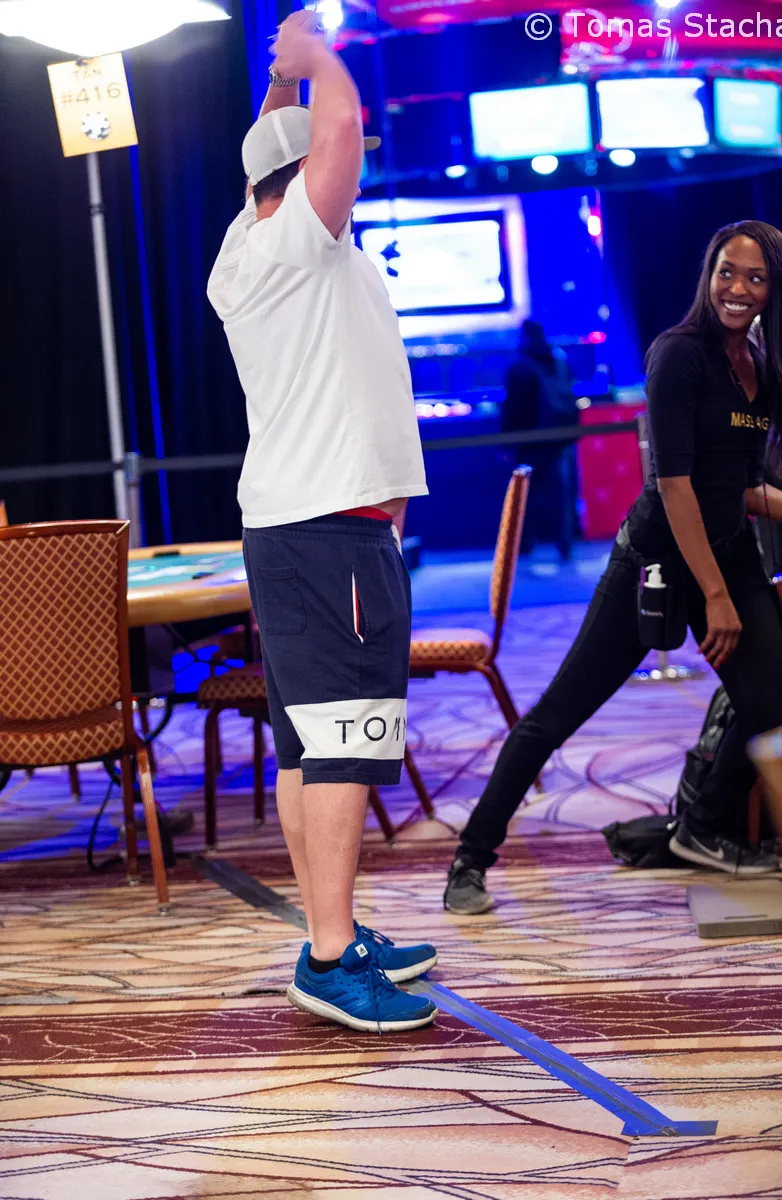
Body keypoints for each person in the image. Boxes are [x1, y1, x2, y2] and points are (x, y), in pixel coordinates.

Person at [444, 220, 782, 914]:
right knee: (560, 712)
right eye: (727, 272)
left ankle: (702, 827)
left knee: (773, 710)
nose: (737, 288)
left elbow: (740, 488)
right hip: (655, 563)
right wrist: (715, 596)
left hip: (727, 553)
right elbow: (675, 485)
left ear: (774, 290)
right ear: (708, 274)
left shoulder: (763, 367)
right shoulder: (679, 354)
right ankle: (471, 857)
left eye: (755, 278)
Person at [207, 12, 437, 1031]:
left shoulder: (245, 246)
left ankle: (328, 930)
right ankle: (332, 957)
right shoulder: (301, 239)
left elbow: (276, 151)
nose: (352, 178)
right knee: (342, 743)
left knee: (309, 745)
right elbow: (333, 131)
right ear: (300, 181)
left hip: (296, 528)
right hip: (329, 530)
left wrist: (276, 91)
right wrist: (313, 56)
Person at [501, 321, 578, 561]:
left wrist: (506, 442)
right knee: (560, 493)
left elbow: (512, 407)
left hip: (529, 441)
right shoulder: (558, 360)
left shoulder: (520, 366)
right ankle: (564, 542)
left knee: (525, 494)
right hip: (558, 438)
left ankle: (524, 544)